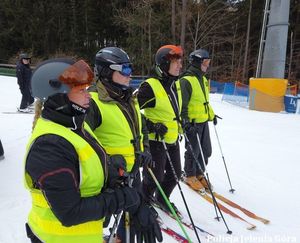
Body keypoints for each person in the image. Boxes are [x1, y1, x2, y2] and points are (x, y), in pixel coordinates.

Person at [24, 58, 161, 243]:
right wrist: (122, 199)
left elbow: (85, 170)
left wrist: (113, 172)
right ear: (58, 96)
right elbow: (70, 212)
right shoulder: (49, 146)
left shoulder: (76, 126)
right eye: (81, 90)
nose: (88, 95)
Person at [85, 47, 162, 243]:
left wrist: (143, 149)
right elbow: (84, 143)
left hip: (132, 171)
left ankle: (121, 238)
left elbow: (141, 127)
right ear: (106, 71)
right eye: (124, 69)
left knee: (132, 219)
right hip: (107, 179)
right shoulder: (92, 101)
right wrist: (110, 166)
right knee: (98, 221)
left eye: (130, 68)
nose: (130, 74)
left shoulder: (128, 97)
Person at [137, 45, 183, 214]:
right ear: (164, 64)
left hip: (172, 138)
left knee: (176, 174)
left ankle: (162, 199)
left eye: (180, 61)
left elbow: (173, 109)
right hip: (156, 140)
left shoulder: (174, 84)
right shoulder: (150, 86)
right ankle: (144, 203)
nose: (179, 65)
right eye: (175, 62)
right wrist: (151, 125)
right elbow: (132, 110)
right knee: (154, 177)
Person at [180, 48, 217, 191]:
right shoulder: (186, 81)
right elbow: (182, 105)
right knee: (192, 151)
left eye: (208, 62)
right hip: (192, 123)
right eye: (205, 62)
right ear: (197, 63)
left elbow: (204, 102)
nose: (207, 65)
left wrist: (212, 115)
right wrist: (186, 122)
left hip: (203, 122)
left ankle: (199, 173)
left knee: (206, 150)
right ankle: (189, 175)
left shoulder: (203, 79)